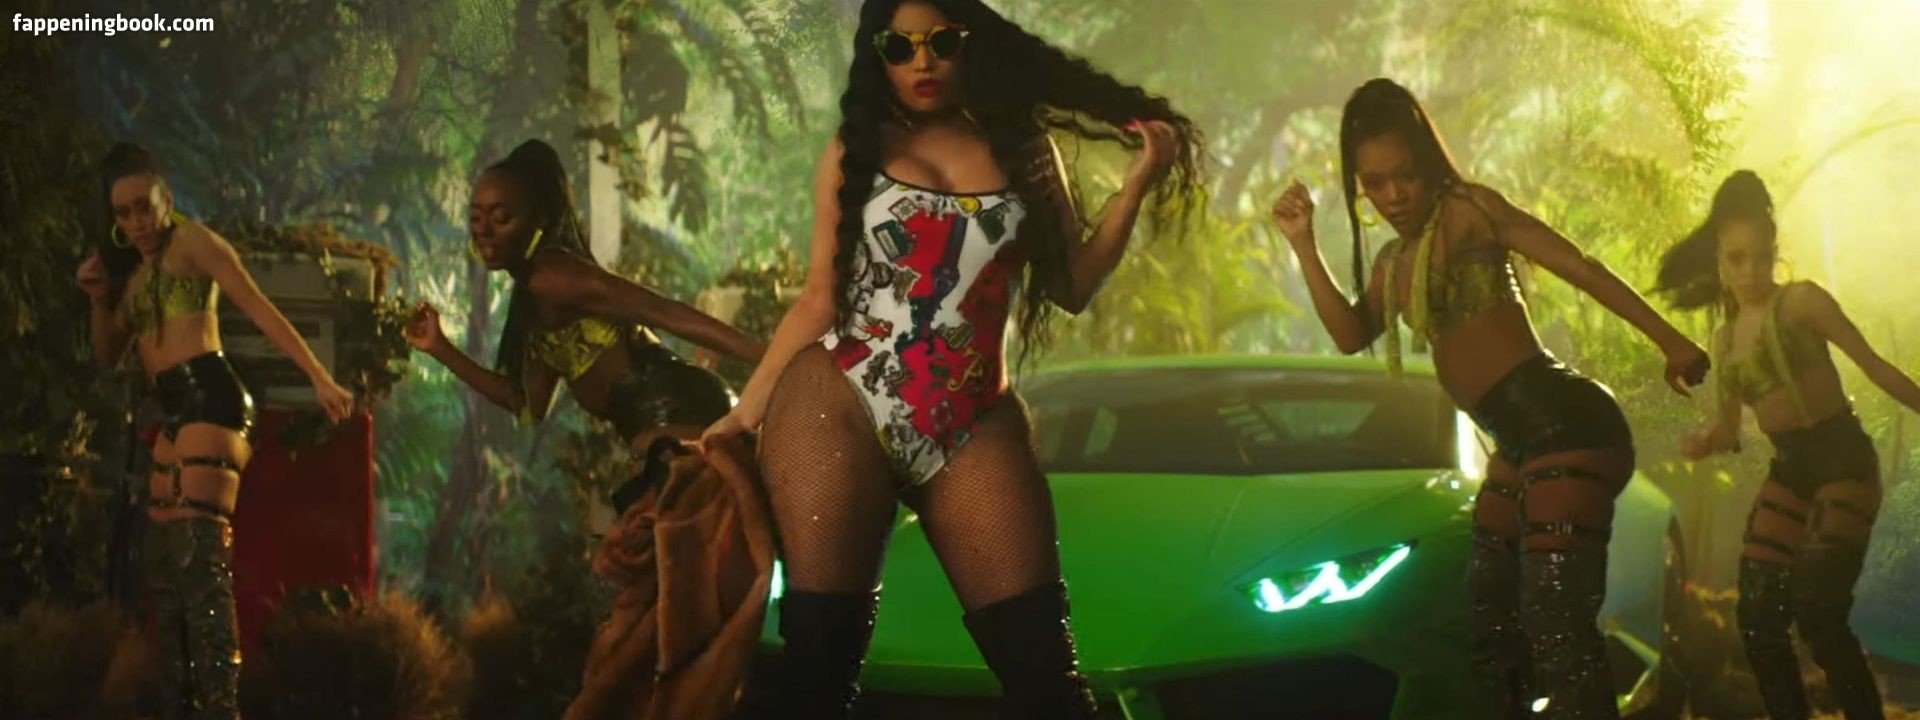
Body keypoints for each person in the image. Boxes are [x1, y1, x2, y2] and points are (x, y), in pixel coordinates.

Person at [698, 1, 1202, 716]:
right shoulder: (855, 149)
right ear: (878, 55)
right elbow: (817, 300)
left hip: (973, 419)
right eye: (899, 47)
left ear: (971, 44)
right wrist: (743, 416)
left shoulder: (1025, 151)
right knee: (818, 673)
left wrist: (1139, 183)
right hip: (839, 403)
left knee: (1046, 679)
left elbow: (1072, 287)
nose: (922, 61)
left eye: (940, 42)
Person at [1270, 78, 1708, 719]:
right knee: (1490, 614)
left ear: (1428, 164)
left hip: (1566, 422)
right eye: (1375, 183)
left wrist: (1671, 341)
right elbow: (1349, 333)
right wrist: (1302, 243)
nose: (1393, 196)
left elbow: (1580, 266)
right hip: (1518, 440)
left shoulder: (1470, 211)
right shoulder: (1394, 264)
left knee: (1556, 616)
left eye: (1405, 176)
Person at [77, 141, 354, 719]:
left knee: (197, 563)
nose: (137, 222)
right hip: (173, 410)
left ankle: (221, 711)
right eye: (124, 213)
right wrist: (99, 299)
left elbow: (258, 306)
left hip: (212, 395)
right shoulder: (135, 276)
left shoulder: (192, 242)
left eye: (145, 207)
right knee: (163, 570)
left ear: (166, 198)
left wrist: (319, 378)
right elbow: (107, 354)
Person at [1661, 170, 1918, 720]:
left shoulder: (1802, 303)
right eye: (1737, 259)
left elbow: (1874, 366)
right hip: (1792, 468)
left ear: (1776, 253)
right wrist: (1704, 442)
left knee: (1819, 612)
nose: (1751, 271)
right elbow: (1730, 431)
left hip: (1842, 458)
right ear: (1719, 261)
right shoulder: (1725, 341)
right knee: (1757, 617)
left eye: (1762, 257)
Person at [406, 139, 763, 494]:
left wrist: (767, 358)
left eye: (501, 218)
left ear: (538, 219)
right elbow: (527, 404)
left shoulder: (557, 277)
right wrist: (439, 347)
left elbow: (662, 311)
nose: (483, 230)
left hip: (684, 413)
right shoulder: (532, 295)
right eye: (476, 218)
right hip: (654, 429)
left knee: (654, 522)